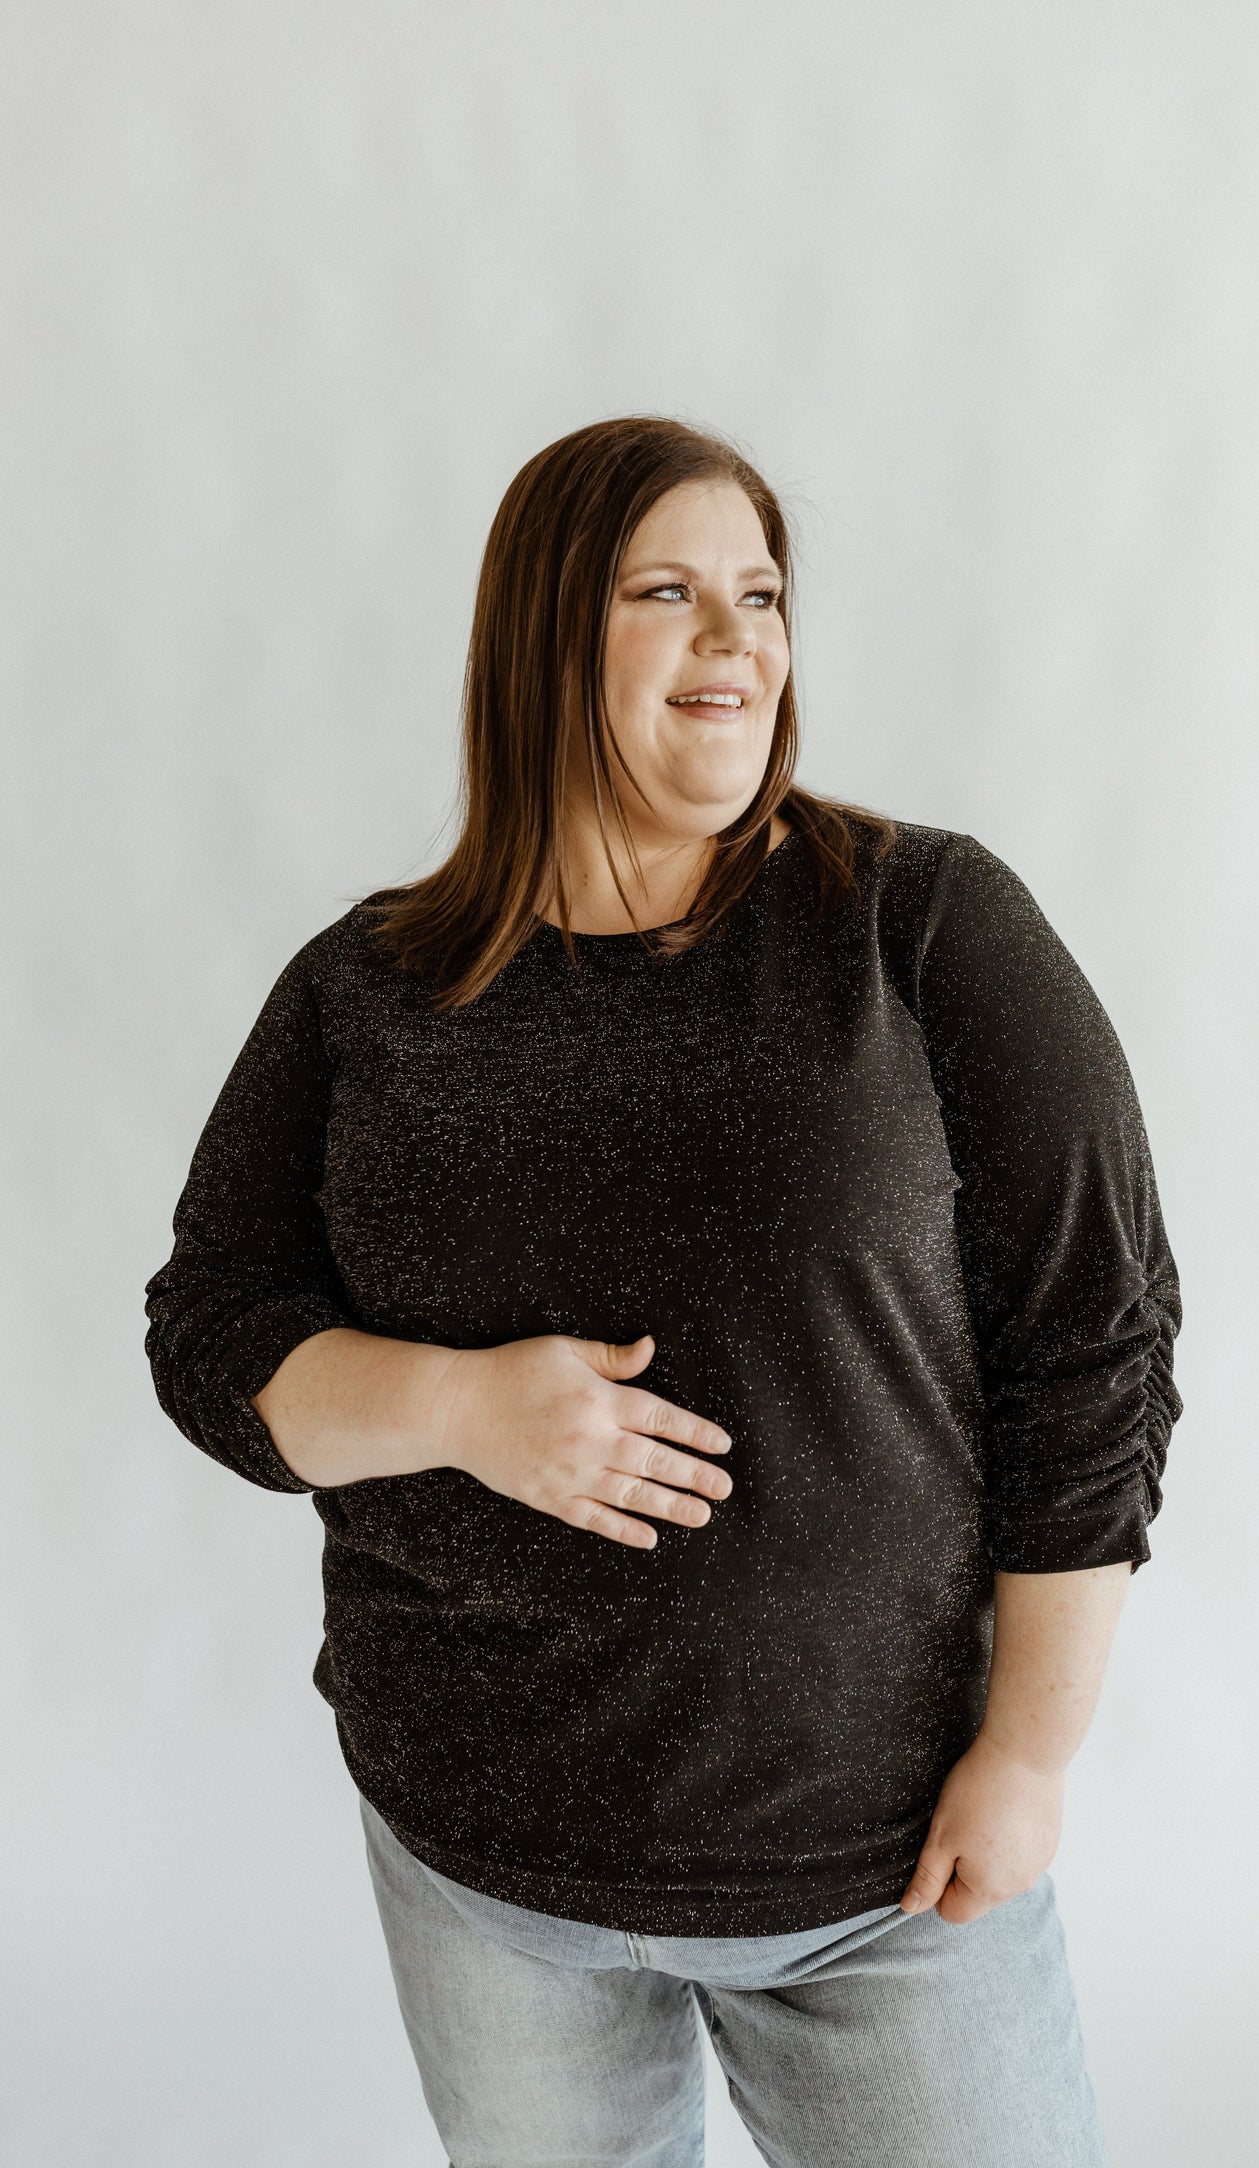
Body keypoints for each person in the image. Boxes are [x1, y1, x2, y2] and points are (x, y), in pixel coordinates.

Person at [144, 414, 1183, 2168]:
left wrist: (1028, 1756)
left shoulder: (916, 925)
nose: (740, 640)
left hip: (882, 1883)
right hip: (487, 1876)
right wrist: (464, 1408)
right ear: (547, 636)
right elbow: (210, 1340)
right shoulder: (366, 989)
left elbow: (1093, 1339)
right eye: (669, 591)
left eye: (763, 594)